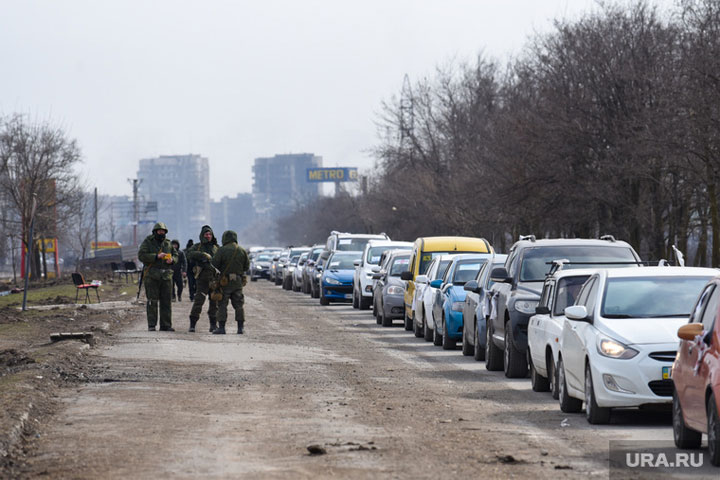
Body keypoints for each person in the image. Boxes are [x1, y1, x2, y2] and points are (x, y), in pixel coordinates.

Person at [137, 222, 178, 331]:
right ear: (155, 232)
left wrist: (172, 260)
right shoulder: (148, 242)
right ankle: (152, 324)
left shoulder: (168, 244)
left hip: (166, 276)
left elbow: (176, 254)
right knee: (152, 301)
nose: (161, 233)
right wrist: (156, 256)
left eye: (163, 231)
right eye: (159, 231)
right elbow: (141, 255)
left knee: (166, 301)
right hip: (152, 276)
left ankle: (166, 325)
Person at [211, 230, 250, 334]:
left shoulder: (222, 250)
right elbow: (247, 266)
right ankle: (240, 328)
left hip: (225, 281)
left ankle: (222, 328)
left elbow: (214, 263)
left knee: (222, 304)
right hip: (237, 281)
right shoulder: (242, 250)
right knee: (239, 304)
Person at [187, 225, 219, 332]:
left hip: (214, 280)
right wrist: (202, 255)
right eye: (206, 234)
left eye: (210, 234)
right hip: (202, 280)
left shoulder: (216, 248)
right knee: (198, 302)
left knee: (214, 303)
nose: (208, 236)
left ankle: (213, 325)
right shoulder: (198, 247)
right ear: (202, 235)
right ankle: (192, 324)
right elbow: (189, 253)